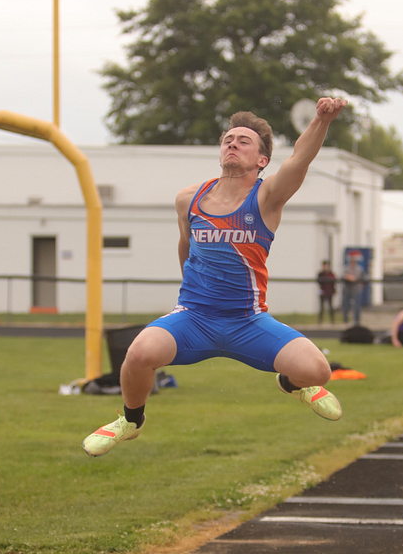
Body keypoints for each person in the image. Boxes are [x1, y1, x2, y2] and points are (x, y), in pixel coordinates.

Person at [83, 97, 347, 458]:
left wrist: (321, 120)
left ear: (262, 160)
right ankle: (131, 421)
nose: (233, 144)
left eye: (244, 141)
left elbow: (300, 158)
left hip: (247, 321)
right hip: (195, 317)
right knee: (138, 354)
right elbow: (185, 246)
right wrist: (189, 299)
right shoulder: (188, 199)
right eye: (228, 139)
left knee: (318, 370)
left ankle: (292, 384)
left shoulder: (267, 197)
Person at [342, 255, 366, 325]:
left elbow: (361, 278)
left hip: (356, 290)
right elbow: (343, 276)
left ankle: (357, 321)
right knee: (346, 305)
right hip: (347, 289)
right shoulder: (346, 268)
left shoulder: (359, 269)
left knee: (357, 306)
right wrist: (349, 277)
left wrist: (353, 279)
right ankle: (345, 320)